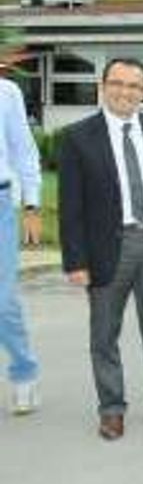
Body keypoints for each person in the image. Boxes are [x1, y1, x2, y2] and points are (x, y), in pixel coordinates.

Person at [59, 57, 143, 440]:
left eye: (134, 86)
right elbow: (71, 206)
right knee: (104, 334)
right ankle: (112, 409)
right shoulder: (78, 137)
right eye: (117, 83)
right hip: (105, 249)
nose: (125, 92)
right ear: (103, 87)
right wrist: (75, 261)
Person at [0, 76, 42, 415]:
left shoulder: (6, 92)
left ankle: (24, 370)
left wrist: (32, 204)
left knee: (2, 301)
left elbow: (24, 150)